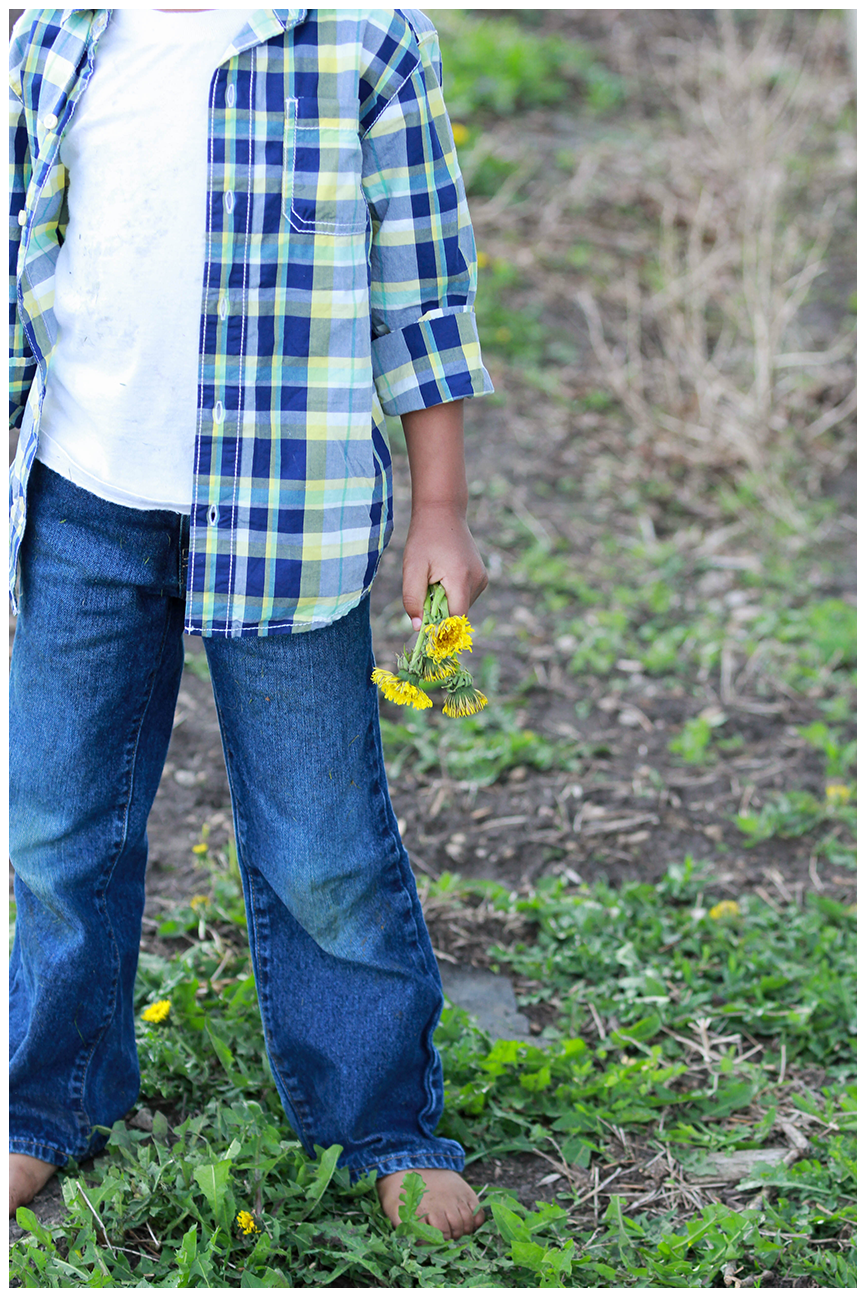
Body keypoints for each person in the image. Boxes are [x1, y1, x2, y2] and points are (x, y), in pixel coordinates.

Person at [9, 7, 493, 1239]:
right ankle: (41, 1102)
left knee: (323, 842)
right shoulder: (56, 33)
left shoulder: (366, 39)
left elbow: (423, 292)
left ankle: (379, 1122)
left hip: (291, 512)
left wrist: (439, 512)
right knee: (57, 824)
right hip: (83, 501)